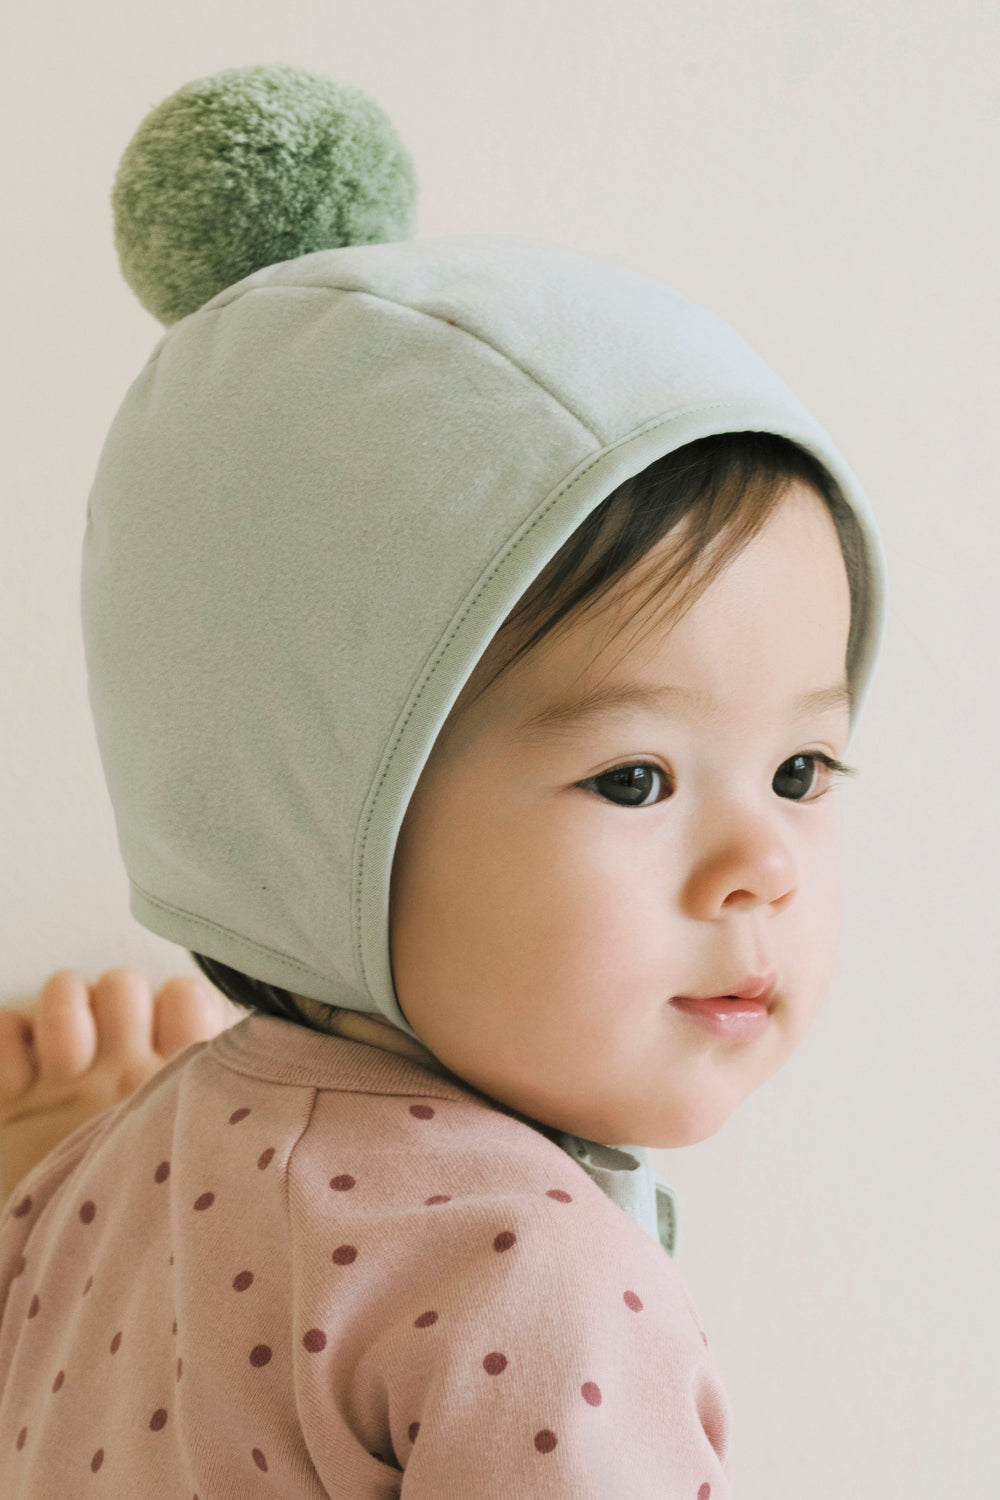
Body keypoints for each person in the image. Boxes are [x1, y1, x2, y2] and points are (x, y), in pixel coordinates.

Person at [0, 64, 886, 1498]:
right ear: (312, 815)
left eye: (800, 768)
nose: (764, 868)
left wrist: (47, 1151)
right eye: (636, 779)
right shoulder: (530, 1281)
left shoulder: (103, 1194)